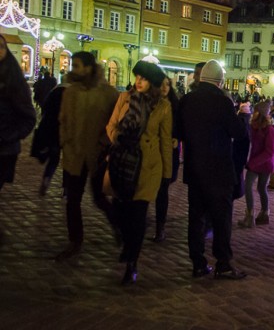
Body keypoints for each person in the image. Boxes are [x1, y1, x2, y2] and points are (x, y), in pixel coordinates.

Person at [178, 59, 248, 279]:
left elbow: (178, 132)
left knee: (195, 218)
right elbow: (239, 133)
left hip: (194, 168)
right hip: (218, 170)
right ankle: (223, 262)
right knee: (221, 219)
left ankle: (198, 263)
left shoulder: (187, 100)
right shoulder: (222, 102)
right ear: (220, 81)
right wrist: (244, 117)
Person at [106, 61, 172, 284]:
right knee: (121, 211)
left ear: (152, 82)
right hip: (122, 161)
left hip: (147, 167)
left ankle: (132, 261)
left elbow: (165, 140)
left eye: (143, 78)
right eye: (137, 77)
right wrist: (119, 138)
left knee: (138, 215)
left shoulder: (163, 106)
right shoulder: (124, 98)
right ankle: (126, 243)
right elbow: (111, 125)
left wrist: (167, 173)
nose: (139, 82)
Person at [56, 51, 119, 261]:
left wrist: (104, 143)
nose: (74, 69)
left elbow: (115, 121)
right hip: (74, 154)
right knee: (72, 200)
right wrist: (65, 141)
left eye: (78, 65)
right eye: (73, 65)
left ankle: (119, 227)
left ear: (89, 68)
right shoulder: (70, 91)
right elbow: (63, 120)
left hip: (96, 155)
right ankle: (75, 240)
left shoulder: (107, 93)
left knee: (100, 198)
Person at [0, 34, 36, 192]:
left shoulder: (14, 81)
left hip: (3, 150)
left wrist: (8, 136)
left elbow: (28, 118)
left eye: (1, 46)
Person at [238, 101, 274, 228]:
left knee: (261, 188)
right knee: (248, 186)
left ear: (260, 114)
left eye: (255, 111)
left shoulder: (270, 130)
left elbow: (269, 151)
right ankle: (251, 215)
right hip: (255, 162)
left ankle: (264, 214)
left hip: (264, 163)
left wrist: (252, 163)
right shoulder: (254, 126)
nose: (252, 113)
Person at [31, 75, 71, 196]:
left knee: (54, 159)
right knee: (68, 161)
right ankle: (66, 187)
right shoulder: (73, 94)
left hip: (53, 131)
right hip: (67, 132)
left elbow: (45, 111)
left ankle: (47, 178)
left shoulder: (53, 92)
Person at [152, 77, 181, 243]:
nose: (164, 87)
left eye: (167, 84)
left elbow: (181, 126)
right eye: (161, 84)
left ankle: (160, 227)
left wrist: (177, 137)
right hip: (153, 150)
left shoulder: (175, 106)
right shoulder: (151, 104)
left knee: (163, 190)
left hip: (169, 152)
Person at [232, 102, 251, 202]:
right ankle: (239, 189)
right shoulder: (250, 120)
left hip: (238, 148)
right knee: (240, 170)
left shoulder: (239, 119)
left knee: (237, 170)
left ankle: (237, 190)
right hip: (245, 149)